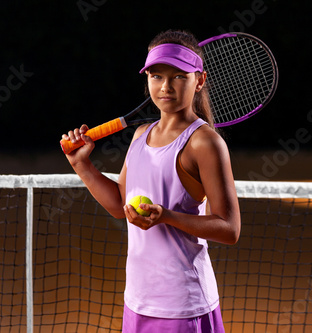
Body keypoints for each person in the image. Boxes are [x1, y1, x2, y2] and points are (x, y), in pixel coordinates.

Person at [61, 29, 241, 333]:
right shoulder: (140, 135)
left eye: (179, 76)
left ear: (199, 80)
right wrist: (83, 166)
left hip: (181, 306)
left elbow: (229, 229)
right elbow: (120, 205)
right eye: (156, 76)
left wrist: (167, 217)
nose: (166, 86)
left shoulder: (204, 143)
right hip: (138, 299)